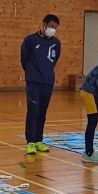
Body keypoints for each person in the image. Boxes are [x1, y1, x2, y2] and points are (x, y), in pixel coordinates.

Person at [20, 14, 61, 155]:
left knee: (42, 113)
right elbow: (24, 59)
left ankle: (38, 140)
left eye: (55, 28)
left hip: (47, 81)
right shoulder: (30, 40)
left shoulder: (56, 43)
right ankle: (30, 142)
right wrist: (32, 73)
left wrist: (46, 73)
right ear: (44, 24)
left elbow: (54, 60)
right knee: (33, 111)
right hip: (33, 81)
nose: (53, 29)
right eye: (51, 26)